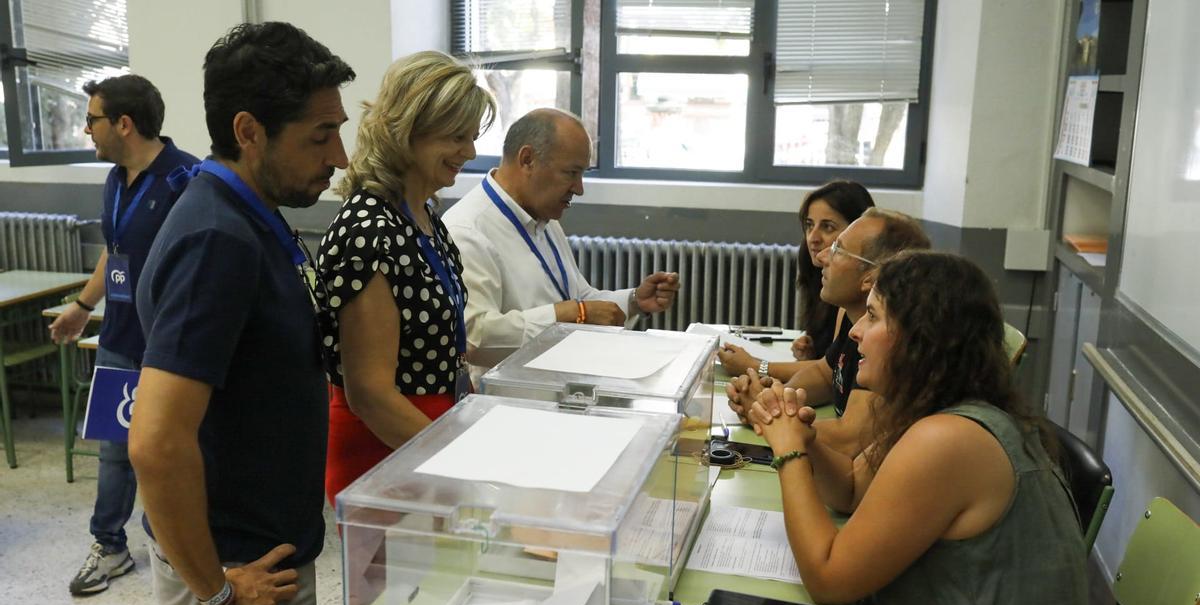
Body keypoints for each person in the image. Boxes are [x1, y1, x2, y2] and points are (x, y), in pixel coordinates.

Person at [129, 22, 353, 605]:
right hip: (243, 568)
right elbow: (155, 442)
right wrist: (218, 591)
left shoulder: (248, 212)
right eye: (321, 135)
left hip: (264, 550)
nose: (339, 155)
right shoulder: (217, 240)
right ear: (249, 130)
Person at [747, 251, 1087, 605]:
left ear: (917, 335)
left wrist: (788, 450)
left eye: (872, 317)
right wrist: (806, 437)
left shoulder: (949, 440)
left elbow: (829, 579)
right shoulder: (943, 410)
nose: (855, 332)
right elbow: (852, 490)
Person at [316, 51, 495, 504]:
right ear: (407, 131)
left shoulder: (423, 215)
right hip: (386, 453)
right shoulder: (369, 228)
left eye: (472, 138)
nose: (469, 153)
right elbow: (371, 395)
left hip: (428, 436)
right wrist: (464, 461)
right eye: (456, 137)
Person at [48, 74, 198, 596]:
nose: (87, 130)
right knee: (114, 448)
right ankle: (110, 546)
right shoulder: (115, 179)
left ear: (124, 124)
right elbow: (116, 251)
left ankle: (183, 547)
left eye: (92, 120)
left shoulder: (187, 180)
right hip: (119, 337)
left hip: (170, 348)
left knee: (176, 450)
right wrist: (81, 307)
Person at [442, 108, 680, 376]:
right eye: (571, 172)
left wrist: (635, 300)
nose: (579, 188)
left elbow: (580, 298)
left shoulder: (544, 218)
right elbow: (475, 336)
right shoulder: (467, 230)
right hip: (505, 399)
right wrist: (567, 315)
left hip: (553, 382)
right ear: (527, 159)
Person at [726, 208, 930, 456]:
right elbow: (825, 374)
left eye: (837, 249)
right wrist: (774, 399)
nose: (822, 256)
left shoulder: (892, 343)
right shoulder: (850, 316)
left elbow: (850, 438)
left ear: (870, 277)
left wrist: (769, 417)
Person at [722, 180, 873, 369]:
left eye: (828, 227)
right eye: (809, 225)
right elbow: (828, 366)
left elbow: (829, 373)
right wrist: (814, 348)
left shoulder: (861, 297)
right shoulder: (813, 267)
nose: (813, 238)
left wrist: (755, 366)